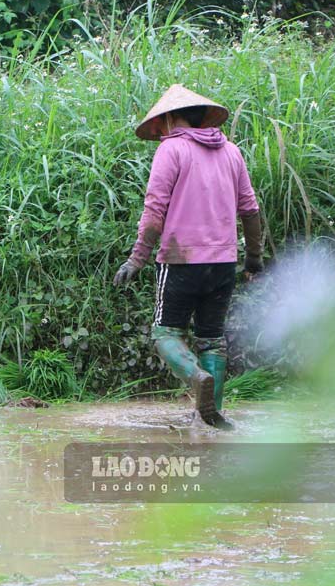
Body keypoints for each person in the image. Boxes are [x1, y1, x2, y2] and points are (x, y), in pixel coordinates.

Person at [113, 84, 264, 429]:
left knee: (164, 334)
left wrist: (137, 259)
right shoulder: (232, 152)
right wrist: (253, 258)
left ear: (168, 119)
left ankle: (196, 378)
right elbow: (251, 211)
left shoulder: (171, 150)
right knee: (212, 338)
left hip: (180, 260)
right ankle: (210, 417)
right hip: (224, 262)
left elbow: (154, 212)